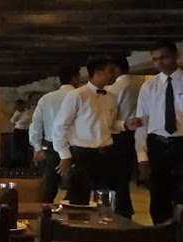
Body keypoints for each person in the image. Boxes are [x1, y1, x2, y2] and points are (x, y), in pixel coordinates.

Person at [53, 56, 136, 196]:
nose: (114, 74)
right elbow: (60, 126)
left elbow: (108, 125)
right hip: (82, 155)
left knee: (106, 196)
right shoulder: (77, 96)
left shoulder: (110, 97)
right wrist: (64, 154)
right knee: (79, 197)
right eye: (110, 71)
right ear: (98, 73)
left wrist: (125, 125)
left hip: (106, 154)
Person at [130, 40, 183, 224]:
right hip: (157, 144)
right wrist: (142, 157)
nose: (159, 62)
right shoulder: (148, 87)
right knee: (158, 197)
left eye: (164, 57)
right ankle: (162, 235)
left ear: (176, 55)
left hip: (181, 143)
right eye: (155, 59)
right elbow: (141, 123)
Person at [29, 66, 81, 203]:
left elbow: (35, 125)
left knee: (49, 185)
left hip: (53, 146)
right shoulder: (81, 96)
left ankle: (45, 211)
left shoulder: (46, 99)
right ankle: (72, 210)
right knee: (76, 186)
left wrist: (37, 147)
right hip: (77, 145)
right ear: (75, 78)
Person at [108, 56, 143, 219]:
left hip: (121, 134)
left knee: (118, 176)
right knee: (128, 173)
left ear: (115, 69)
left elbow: (109, 115)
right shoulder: (141, 84)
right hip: (141, 132)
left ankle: (122, 211)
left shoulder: (115, 88)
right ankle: (125, 208)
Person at [10, 99, 34, 167]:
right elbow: (12, 121)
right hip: (18, 130)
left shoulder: (30, 111)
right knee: (17, 148)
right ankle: (16, 164)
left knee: (24, 148)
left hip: (26, 131)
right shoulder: (18, 112)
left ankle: (24, 164)